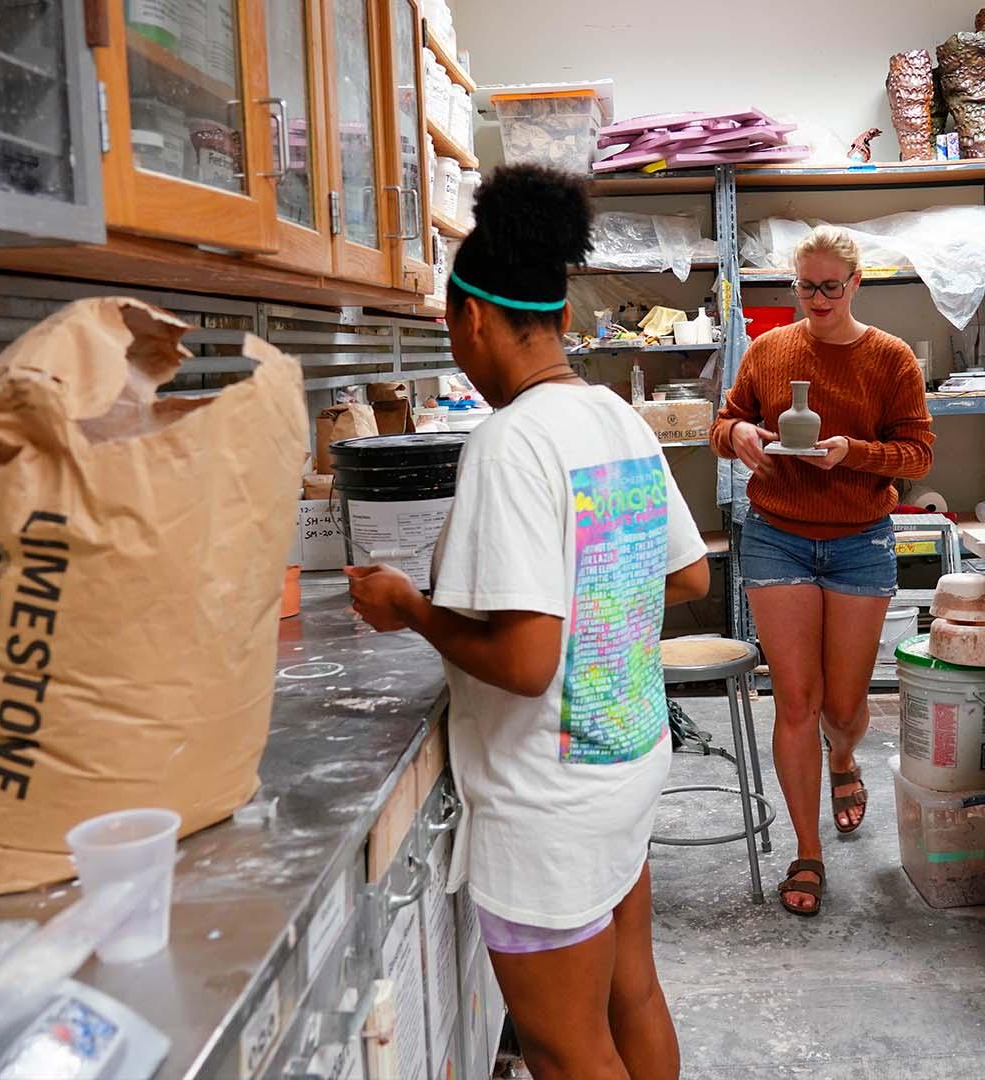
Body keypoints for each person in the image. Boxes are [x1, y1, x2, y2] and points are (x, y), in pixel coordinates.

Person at [347, 165, 711, 1080]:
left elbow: (523, 660)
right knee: (632, 1001)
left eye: (449, 327)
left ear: (472, 318)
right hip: (624, 756)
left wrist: (411, 610)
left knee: (565, 1044)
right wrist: (597, 595)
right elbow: (692, 573)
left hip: (547, 801)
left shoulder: (509, 442)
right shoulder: (613, 416)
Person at [708, 225, 934, 917]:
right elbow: (726, 421)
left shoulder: (891, 358)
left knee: (842, 707)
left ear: (856, 283)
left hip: (861, 538)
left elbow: (918, 454)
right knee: (797, 701)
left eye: (832, 286)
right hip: (778, 535)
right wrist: (737, 435)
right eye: (807, 286)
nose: (819, 299)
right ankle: (805, 850)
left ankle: (844, 759)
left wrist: (852, 453)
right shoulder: (770, 350)